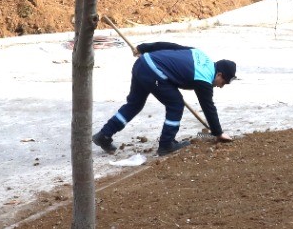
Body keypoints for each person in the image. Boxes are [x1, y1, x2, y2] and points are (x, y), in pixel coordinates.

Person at [92, 43, 235, 155]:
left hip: (143, 63)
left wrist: (145, 48)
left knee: (134, 104)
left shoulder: (199, 54)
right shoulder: (204, 78)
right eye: (224, 83)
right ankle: (166, 145)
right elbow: (208, 107)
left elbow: (170, 46)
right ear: (220, 75)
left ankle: (103, 135)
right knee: (176, 104)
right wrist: (218, 133)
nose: (221, 86)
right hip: (154, 71)